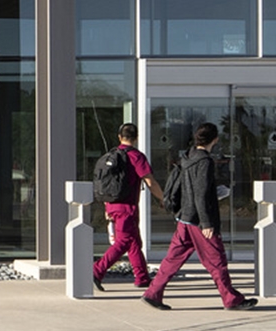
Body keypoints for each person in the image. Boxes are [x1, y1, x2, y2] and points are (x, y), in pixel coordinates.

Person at [143, 122, 254, 311]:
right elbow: (200, 194)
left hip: (184, 218)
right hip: (197, 221)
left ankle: (153, 293)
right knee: (216, 260)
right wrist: (207, 223)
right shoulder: (205, 162)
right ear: (215, 139)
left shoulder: (188, 157)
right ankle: (231, 299)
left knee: (173, 258)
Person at [91, 123, 163, 292]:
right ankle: (96, 271)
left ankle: (142, 277)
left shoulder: (112, 155)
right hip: (127, 207)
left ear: (119, 137)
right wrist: (162, 198)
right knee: (124, 241)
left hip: (111, 204)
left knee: (134, 242)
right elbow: (150, 181)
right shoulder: (136, 156)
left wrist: (106, 207)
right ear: (136, 137)